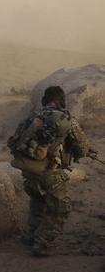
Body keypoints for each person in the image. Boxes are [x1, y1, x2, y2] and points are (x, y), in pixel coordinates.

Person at [8, 86, 92, 256]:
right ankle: (42, 244)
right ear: (61, 100)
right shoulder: (66, 119)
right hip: (49, 172)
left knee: (38, 201)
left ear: (45, 100)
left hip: (28, 169)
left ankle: (30, 236)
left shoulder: (32, 117)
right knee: (61, 208)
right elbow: (82, 148)